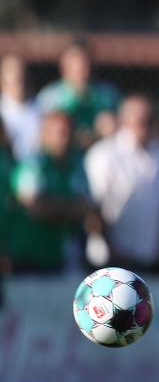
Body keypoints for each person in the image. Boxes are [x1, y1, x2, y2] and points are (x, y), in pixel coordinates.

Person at [84, 95, 159, 272]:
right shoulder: (103, 155)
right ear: (124, 121)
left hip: (152, 260)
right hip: (110, 263)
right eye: (141, 121)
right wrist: (112, 249)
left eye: (150, 120)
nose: (146, 127)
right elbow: (93, 209)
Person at [8, 111, 98, 273]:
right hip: (29, 258)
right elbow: (36, 208)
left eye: (70, 132)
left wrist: (55, 206)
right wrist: (71, 208)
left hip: (60, 257)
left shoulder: (77, 165)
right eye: (61, 133)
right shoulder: (32, 165)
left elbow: (88, 206)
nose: (67, 138)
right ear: (45, 134)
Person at [36, 38, 119, 149]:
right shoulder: (49, 98)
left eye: (86, 65)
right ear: (64, 66)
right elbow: (41, 139)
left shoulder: (109, 95)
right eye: (77, 66)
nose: (84, 71)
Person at [0, 55, 40, 160]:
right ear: (3, 82)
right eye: (16, 80)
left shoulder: (41, 107)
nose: (21, 84)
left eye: (23, 78)